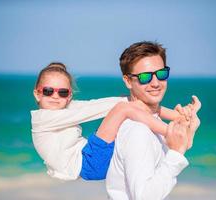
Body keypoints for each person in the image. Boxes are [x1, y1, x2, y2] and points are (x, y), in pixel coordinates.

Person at [31, 62, 198, 181]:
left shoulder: (64, 109)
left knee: (125, 105)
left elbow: (95, 105)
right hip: (88, 163)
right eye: (47, 91)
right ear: (37, 94)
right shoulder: (43, 119)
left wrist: (179, 115)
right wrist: (128, 103)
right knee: (122, 109)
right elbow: (100, 109)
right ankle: (174, 134)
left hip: (91, 159)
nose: (54, 96)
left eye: (62, 92)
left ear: (69, 96)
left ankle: (180, 120)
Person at [106, 41, 201, 200]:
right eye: (145, 77)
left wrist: (187, 126)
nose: (156, 83)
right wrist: (176, 154)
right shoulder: (138, 131)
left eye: (161, 74)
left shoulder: (151, 121)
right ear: (128, 81)